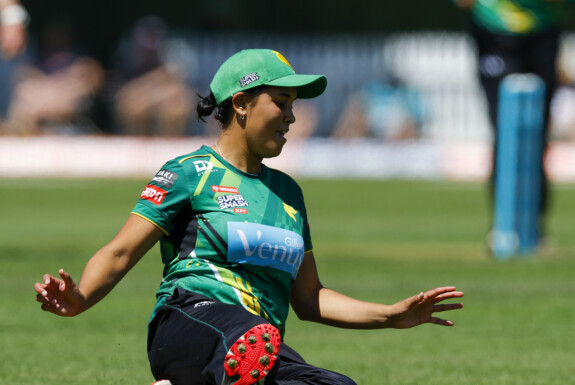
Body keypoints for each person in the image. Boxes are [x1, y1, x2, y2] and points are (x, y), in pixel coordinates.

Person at [34, 49, 463, 385]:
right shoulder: (190, 172)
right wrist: (80, 298)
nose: (292, 116)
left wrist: (389, 315)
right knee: (244, 340)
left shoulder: (289, 194)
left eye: (293, 104)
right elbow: (120, 251)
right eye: (280, 102)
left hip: (255, 350)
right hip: (188, 321)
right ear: (240, 103)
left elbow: (309, 298)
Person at [454, 0, 575, 238]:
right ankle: (503, 225)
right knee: (505, 131)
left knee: (537, 132)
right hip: (493, 28)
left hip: (543, 29)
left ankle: (534, 225)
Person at [108, 16, 193, 136]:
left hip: (160, 100)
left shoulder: (171, 59)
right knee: (135, 105)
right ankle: (136, 146)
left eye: (154, 40)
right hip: (139, 103)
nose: (149, 48)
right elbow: (122, 96)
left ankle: (170, 147)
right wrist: (153, 83)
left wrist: (152, 94)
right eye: (146, 40)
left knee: (175, 106)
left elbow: (179, 90)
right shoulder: (125, 62)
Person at [332, 73, 425, 141]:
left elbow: (414, 126)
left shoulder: (409, 95)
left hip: (397, 134)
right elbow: (355, 107)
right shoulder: (373, 89)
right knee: (354, 117)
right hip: (369, 130)